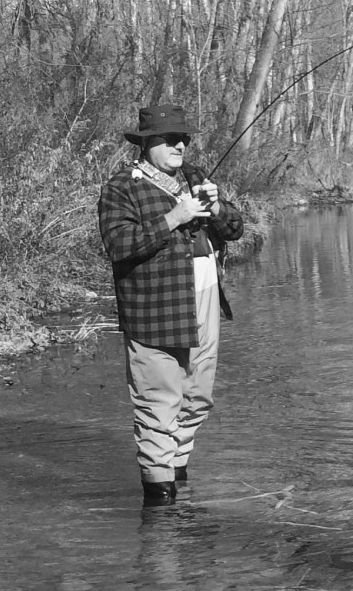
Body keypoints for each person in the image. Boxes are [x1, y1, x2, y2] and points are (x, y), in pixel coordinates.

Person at [97, 104, 245, 505]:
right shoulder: (121, 188)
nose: (181, 144)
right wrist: (175, 217)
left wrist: (214, 208)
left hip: (204, 299)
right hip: (153, 307)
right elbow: (118, 246)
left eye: (184, 138)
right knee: (159, 401)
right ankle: (159, 500)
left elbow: (235, 227)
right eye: (170, 138)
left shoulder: (196, 177)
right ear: (146, 144)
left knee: (198, 395)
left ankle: (178, 476)